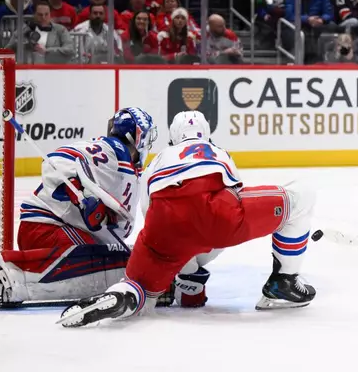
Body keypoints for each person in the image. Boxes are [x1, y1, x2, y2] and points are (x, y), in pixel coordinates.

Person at [59, 111, 316, 327]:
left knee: (138, 285)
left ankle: (123, 296)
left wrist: (170, 256)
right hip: (216, 219)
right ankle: (284, 283)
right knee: (300, 197)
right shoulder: (217, 151)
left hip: (163, 230)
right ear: (206, 132)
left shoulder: (158, 159)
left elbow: (148, 213)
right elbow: (236, 195)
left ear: (173, 136)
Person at [0, 108, 157, 302]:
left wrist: (105, 215)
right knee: (97, 265)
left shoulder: (127, 165)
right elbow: (57, 161)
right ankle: (9, 277)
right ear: (137, 138)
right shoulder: (112, 149)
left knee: (118, 261)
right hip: (45, 228)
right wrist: (80, 195)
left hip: (64, 230)